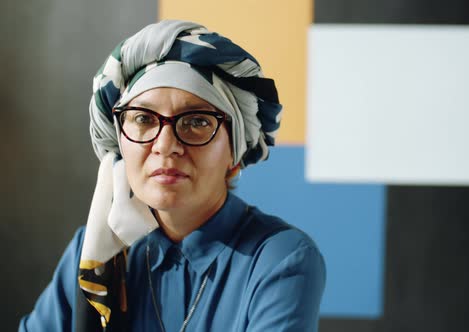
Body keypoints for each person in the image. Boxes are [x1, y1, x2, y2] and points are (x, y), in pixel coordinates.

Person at [19, 20, 326, 332]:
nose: (165, 146)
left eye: (195, 121)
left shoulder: (278, 259)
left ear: (234, 155)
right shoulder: (94, 250)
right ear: (121, 143)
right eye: (142, 118)